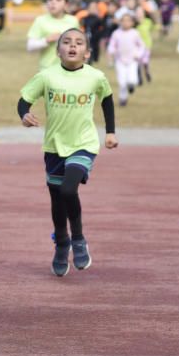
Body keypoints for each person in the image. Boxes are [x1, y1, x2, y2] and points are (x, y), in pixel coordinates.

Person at [18, 28, 117, 277]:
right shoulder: (46, 76)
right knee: (56, 199)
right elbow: (24, 100)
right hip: (54, 147)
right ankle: (62, 244)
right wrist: (24, 115)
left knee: (68, 190)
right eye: (67, 42)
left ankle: (79, 239)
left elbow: (107, 99)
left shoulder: (95, 77)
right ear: (58, 50)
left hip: (84, 144)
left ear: (87, 52)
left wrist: (110, 132)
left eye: (79, 43)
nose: (73, 46)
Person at [27, 0, 80, 72]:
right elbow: (30, 47)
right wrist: (46, 40)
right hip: (47, 71)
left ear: (66, 4)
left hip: (69, 71)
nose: (53, 2)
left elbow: (79, 45)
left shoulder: (73, 21)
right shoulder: (40, 20)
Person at [107, 14, 145, 107]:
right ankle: (123, 99)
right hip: (120, 60)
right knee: (122, 82)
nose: (125, 23)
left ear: (132, 23)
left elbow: (141, 45)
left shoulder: (135, 33)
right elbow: (111, 45)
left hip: (132, 60)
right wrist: (112, 53)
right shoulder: (116, 33)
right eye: (123, 20)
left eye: (128, 21)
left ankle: (131, 86)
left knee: (132, 79)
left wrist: (138, 54)